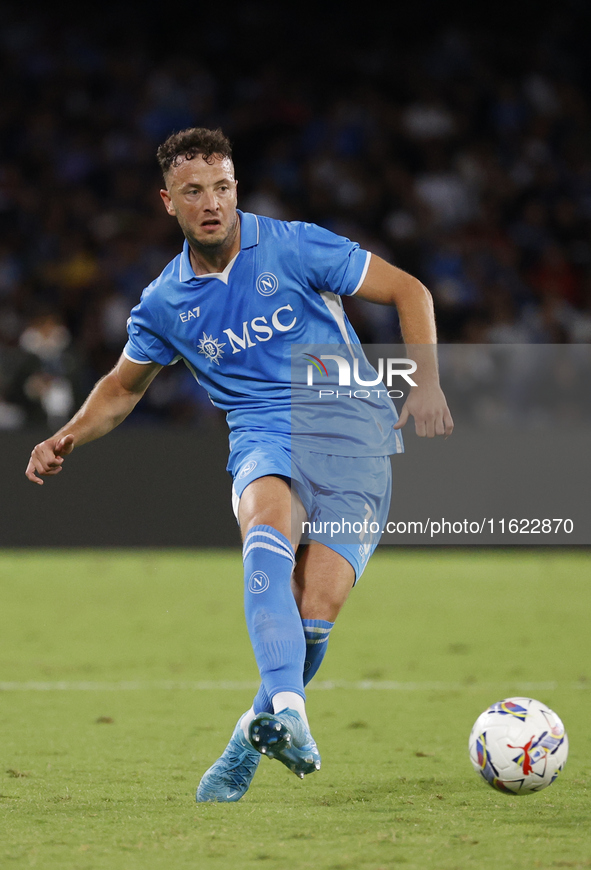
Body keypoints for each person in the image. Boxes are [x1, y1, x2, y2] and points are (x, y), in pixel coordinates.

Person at [25, 127, 453, 802]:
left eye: (222, 186)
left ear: (235, 189)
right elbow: (120, 385)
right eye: (194, 191)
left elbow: (411, 292)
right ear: (168, 201)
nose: (212, 202)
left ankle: (246, 740)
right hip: (262, 435)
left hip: (351, 430)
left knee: (317, 608)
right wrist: (68, 435)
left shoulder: (294, 244)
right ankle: (291, 716)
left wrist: (425, 381)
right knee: (266, 533)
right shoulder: (165, 302)